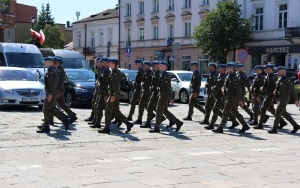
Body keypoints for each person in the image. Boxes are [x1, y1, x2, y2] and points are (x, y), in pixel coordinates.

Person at [212, 62, 250, 134]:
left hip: (232, 98)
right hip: (228, 97)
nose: (227, 68)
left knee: (225, 113)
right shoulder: (228, 76)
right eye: (227, 67)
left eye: (228, 67)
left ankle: (220, 128)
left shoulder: (234, 78)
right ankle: (245, 125)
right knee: (235, 113)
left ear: (232, 68)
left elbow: (238, 90)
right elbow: (225, 86)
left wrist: (240, 100)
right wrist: (223, 89)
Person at [98, 58, 133, 134]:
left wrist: (114, 96)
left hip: (114, 95)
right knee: (116, 112)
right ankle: (128, 124)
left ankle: (107, 128)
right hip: (111, 94)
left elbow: (116, 86)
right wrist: (107, 94)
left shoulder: (116, 73)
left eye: (111, 63)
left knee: (108, 111)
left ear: (114, 64)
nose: (109, 64)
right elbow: (110, 86)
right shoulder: (112, 72)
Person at [37, 57, 69, 133]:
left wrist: (51, 94)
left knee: (46, 109)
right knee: (49, 109)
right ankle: (47, 126)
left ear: (50, 62)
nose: (44, 63)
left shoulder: (52, 71)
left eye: (46, 62)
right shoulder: (50, 70)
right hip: (50, 93)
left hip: (51, 93)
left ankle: (63, 120)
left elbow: (54, 84)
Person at [149, 61, 183, 133]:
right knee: (165, 111)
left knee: (159, 111)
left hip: (164, 96)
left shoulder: (166, 75)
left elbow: (169, 87)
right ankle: (178, 122)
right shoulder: (162, 74)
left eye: (161, 66)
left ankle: (157, 128)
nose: (159, 67)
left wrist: (171, 98)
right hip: (161, 94)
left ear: (164, 67)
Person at [204, 64, 239, 130]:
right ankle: (234, 121)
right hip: (217, 96)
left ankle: (212, 125)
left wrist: (216, 88)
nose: (219, 69)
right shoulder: (219, 76)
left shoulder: (225, 77)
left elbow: (224, 86)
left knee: (216, 110)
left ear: (224, 69)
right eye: (219, 68)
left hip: (221, 97)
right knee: (225, 110)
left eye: (220, 68)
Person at [253, 63, 287, 129]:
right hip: (267, 95)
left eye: (267, 68)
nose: (265, 69)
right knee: (271, 110)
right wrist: (263, 88)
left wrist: (276, 97)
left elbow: (276, 87)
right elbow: (266, 86)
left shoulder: (273, 77)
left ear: (270, 69)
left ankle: (260, 124)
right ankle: (282, 121)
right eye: (265, 68)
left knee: (262, 109)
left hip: (270, 96)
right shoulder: (267, 76)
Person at [268, 66, 300, 134]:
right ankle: (295, 125)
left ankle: (274, 128)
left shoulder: (287, 80)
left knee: (277, 112)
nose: (278, 71)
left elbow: (293, 90)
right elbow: (277, 88)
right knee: (284, 113)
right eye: (278, 70)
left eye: (279, 70)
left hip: (284, 98)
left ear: (284, 71)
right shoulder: (280, 79)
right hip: (280, 98)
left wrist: (296, 100)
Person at [140, 61, 166, 128]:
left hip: (157, 93)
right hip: (153, 92)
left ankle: (175, 121)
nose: (154, 67)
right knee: (151, 107)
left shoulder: (159, 74)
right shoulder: (155, 73)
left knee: (157, 108)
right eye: (153, 66)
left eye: (155, 65)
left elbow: (161, 84)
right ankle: (149, 122)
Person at [53, 56, 78, 124]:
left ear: (59, 63)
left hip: (59, 90)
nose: (55, 63)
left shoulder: (60, 71)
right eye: (55, 62)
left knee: (52, 104)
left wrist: (58, 92)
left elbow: (61, 83)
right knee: (61, 104)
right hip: (58, 90)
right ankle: (72, 115)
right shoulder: (57, 69)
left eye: (56, 62)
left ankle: (50, 119)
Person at [90, 57, 110, 129]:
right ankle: (96, 121)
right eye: (101, 62)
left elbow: (107, 84)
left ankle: (97, 122)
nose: (101, 63)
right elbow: (99, 79)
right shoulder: (102, 70)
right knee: (97, 106)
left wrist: (105, 94)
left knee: (101, 107)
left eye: (103, 62)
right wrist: (98, 83)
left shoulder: (107, 71)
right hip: (100, 90)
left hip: (103, 92)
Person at [85, 57, 102, 122]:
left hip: (101, 89)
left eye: (97, 62)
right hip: (97, 88)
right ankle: (93, 117)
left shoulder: (101, 70)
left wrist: (97, 83)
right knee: (94, 103)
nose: (95, 63)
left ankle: (96, 119)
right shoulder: (97, 69)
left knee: (100, 105)